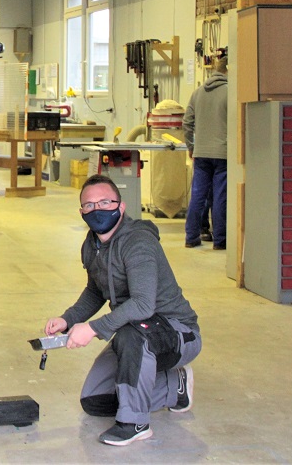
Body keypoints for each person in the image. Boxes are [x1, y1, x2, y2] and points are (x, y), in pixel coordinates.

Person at [44, 174, 201, 446]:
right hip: (137, 331)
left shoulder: (138, 242)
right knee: (94, 400)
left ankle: (135, 423)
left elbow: (143, 304)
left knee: (132, 337)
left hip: (177, 332)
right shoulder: (91, 245)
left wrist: (92, 329)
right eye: (89, 205)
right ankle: (175, 387)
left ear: (122, 206)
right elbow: (96, 291)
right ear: (82, 212)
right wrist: (67, 320)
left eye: (105, 202)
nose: (97, 210)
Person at [183, 49, 228, 250]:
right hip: (223, 154)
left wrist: (191, 146)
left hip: (201, 153)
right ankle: (220, 240)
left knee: (198, 196)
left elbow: (187, 122)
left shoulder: (198, 93)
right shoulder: (231, 92)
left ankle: (191, 237)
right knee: (219, 198)